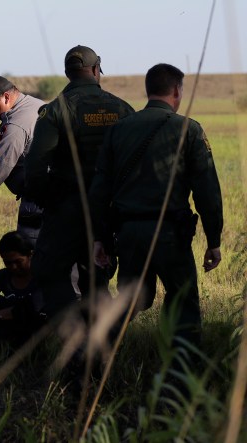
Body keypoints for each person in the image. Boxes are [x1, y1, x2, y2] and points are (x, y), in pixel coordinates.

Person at [89, 63, 223, 353]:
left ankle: (94, 353)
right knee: (183, 302)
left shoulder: (119, 129)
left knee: (131, 300)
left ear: (148, 90)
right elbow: (207, 192)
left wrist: (100, 238)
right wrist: (213, 240)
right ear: (176, 91)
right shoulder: (188, 129)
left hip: (128, 234)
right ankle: (183, 371)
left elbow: (99, 191)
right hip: (169, 234)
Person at [24, 46, 134, 319]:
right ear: (97, 70)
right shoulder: (122, 109)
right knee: (96, 276)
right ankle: (102, 339)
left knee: (50, 270)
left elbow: (35, 166)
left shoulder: (56, 111)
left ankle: (72, 338)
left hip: (67, 206)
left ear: (67, 73)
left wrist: (48, 199)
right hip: (107, 209)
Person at [0, 76, 46, 243]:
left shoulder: (16, 125)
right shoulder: (35, 104)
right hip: (64, 194)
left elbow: (0, 165)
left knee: (31, 252)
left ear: (6, 97)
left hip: (39, 199)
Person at [0, 231, 45, 353]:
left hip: (34, 330)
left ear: (30, 255)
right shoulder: (2, 276)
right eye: (8, 263)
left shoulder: (42, 276)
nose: (13, 267)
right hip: (7, 325)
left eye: (18, 261)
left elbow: (34, 306)